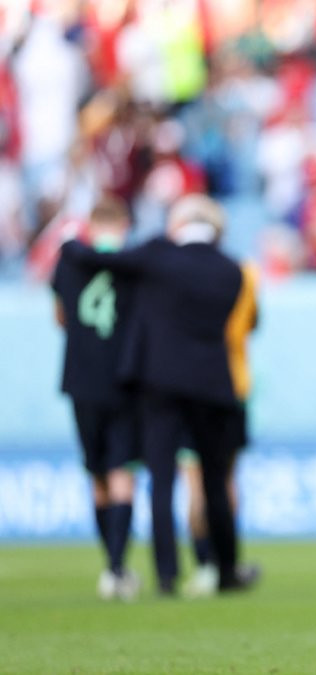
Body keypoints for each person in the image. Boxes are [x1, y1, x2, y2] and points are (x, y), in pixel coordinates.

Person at [60, 194, 259, 597]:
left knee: (162, 481)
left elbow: (104, 262)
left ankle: (166, 575)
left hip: (160, 384)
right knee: (215, 481)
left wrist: (69, 244)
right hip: (212, 384)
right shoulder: (232, 270)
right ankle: (224, 567)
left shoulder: (158, 257)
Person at [51, 196, 141, 601]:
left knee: (97, 475)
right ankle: (117, 566)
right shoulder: (133, 267)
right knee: (122, 470)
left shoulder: (69, 261)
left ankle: (111, 564)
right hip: (122, 381)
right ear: (123, 224)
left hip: (81, 379)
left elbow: (60, 316)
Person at [181, 259, 259, 598]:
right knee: (225, 480)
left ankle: (205, 563)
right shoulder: (243, 275)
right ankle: (227, 561)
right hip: (233, 387)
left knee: (196, 480)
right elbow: (252, 323)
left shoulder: (179, 277)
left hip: (192, 388)